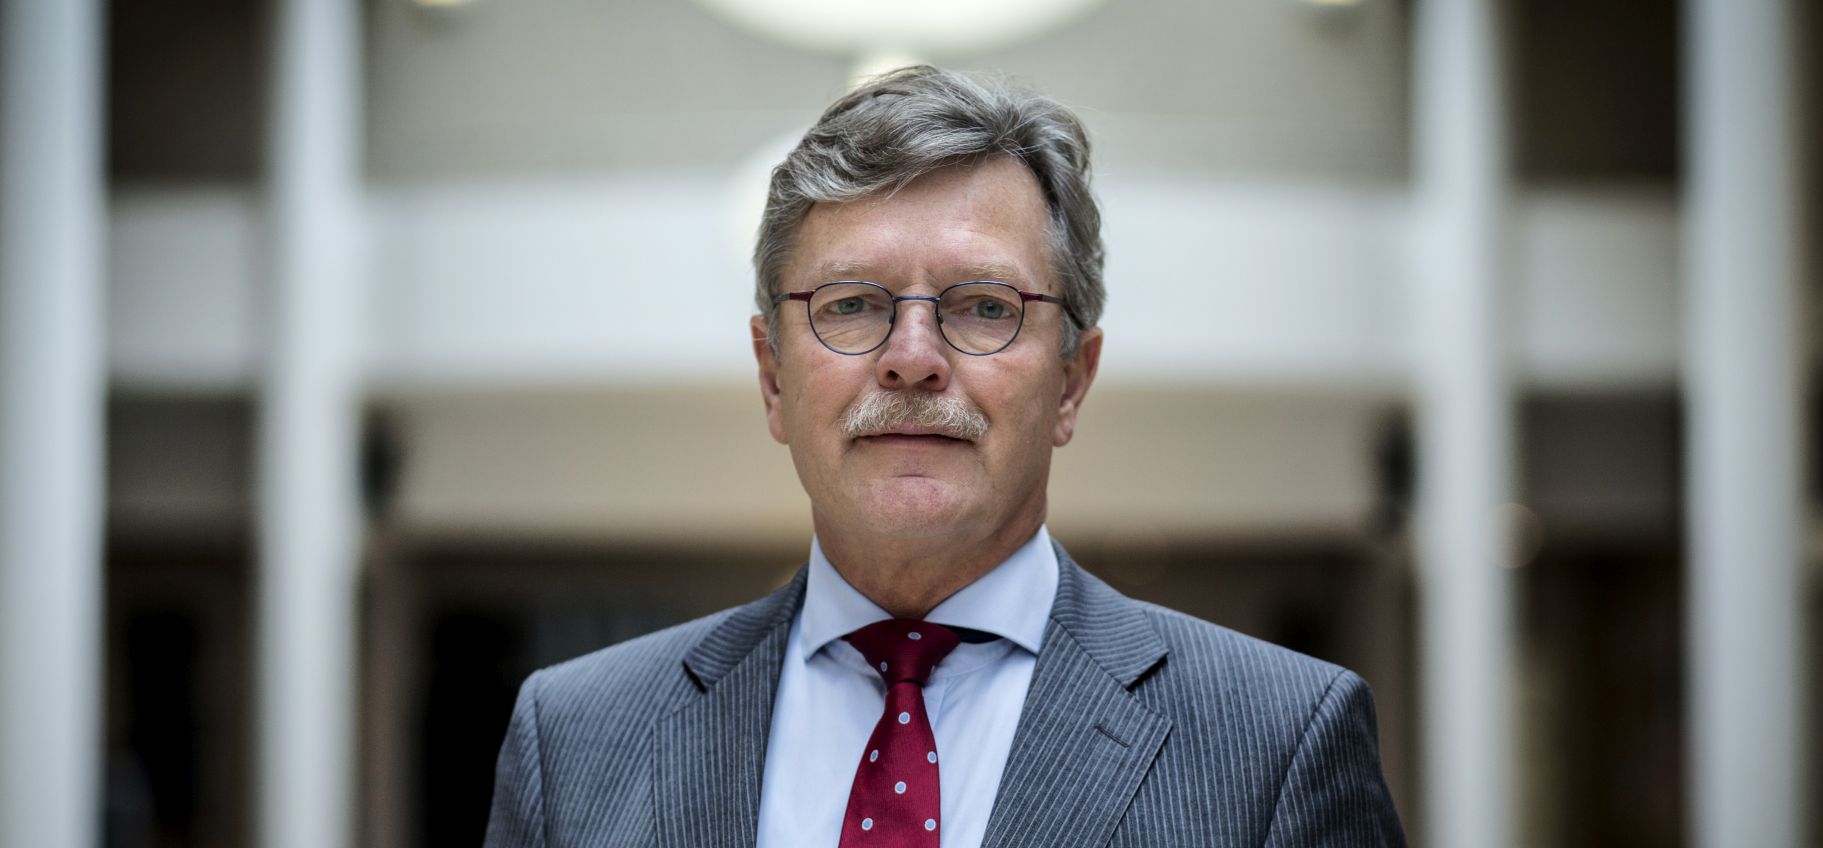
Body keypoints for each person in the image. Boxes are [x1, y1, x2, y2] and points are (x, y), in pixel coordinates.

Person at [483, 66, 1405, 848]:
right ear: (773, 378)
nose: (913, 357)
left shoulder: (1279, 742)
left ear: (1072, 381)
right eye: (850, 304)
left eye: (984, 306)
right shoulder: (574, 743)